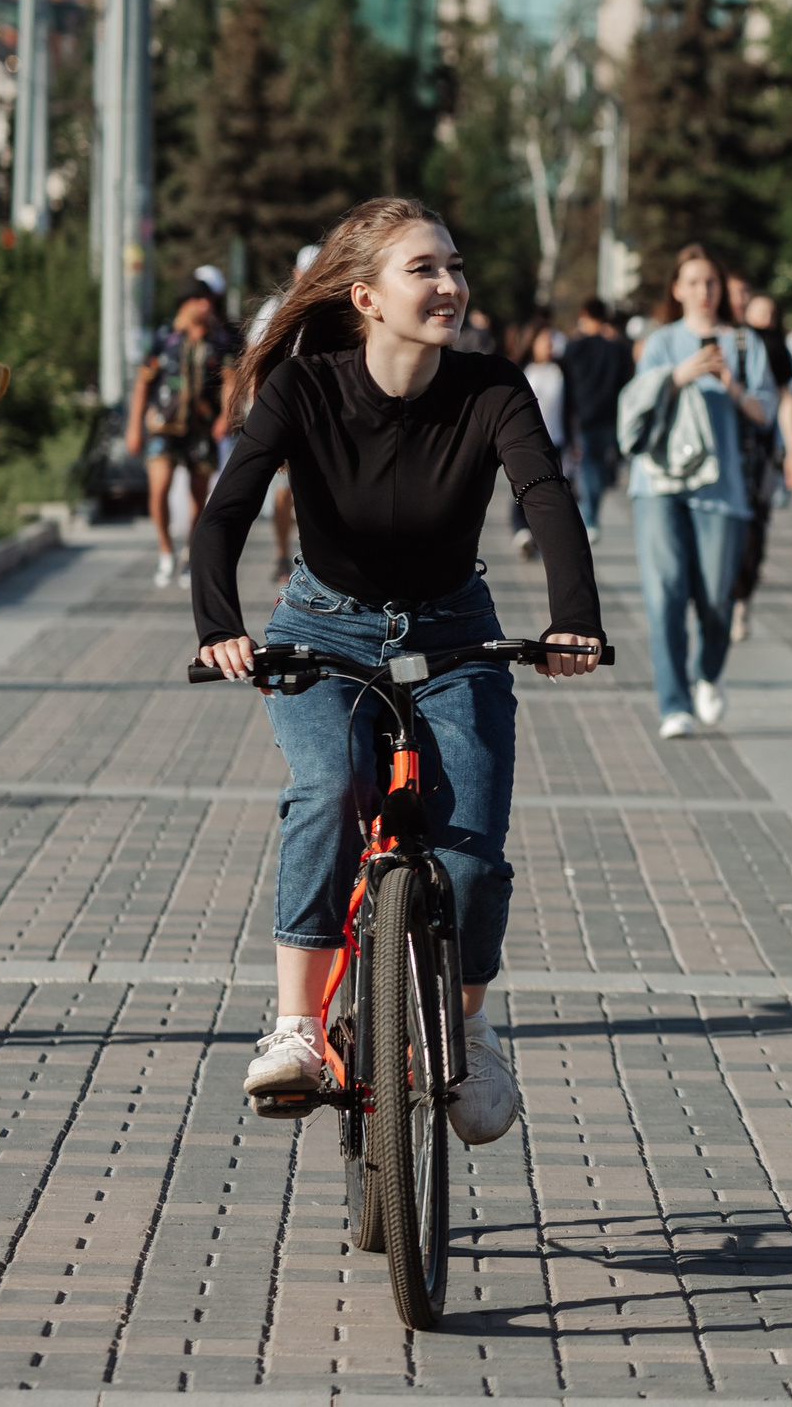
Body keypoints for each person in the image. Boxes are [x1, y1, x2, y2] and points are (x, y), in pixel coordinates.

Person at [189, 197, 603, 1142]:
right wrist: (222, 625)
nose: (451, 284)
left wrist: (572, 620)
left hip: (457, 631)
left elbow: (545, 496)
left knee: (467, 847)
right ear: (366, 295)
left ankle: (467, 1028)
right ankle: (296, 1026)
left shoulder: (493, 389)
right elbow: (227, 511)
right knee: (332, 788)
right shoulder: (304, 392)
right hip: (323, 630)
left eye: (455, 266)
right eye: (426, 269)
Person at [626, 244, 775, 738]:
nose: (703, 291)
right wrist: (679, 376)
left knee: (715, 598)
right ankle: (674, 703)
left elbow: (765, 413)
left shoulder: (743, 343)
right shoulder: (661, 342)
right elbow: (638, 403)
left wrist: (730, 385)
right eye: (692, 282)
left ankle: (708, 674)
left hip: (721, 488)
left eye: (710, 281)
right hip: (659, 484)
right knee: (665, 593)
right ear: (677, 289)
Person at [128, 279, 239, 588]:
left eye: (209, 301)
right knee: (159, 486)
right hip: (163, 425)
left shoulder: (219, 339)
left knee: (198, 496)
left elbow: (230, 380)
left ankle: (192, 553)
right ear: (186, 303)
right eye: (200, 300)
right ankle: (166, 551)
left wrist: (227, 416)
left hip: (201, 428)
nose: (207, 306)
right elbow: (143, 383)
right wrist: (133, 426)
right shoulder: (164, 337)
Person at [727, 282, 792, 644]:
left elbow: (788, 400)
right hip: (723, 450)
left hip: (759, 452)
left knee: (754, 529)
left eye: (770, 315)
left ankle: (741, 600)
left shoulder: (777, 350)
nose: (764, 320)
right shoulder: (728, 341)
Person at [248, 245, 320, 580]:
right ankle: (281, 553)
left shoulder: (335, 310)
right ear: (296, 273)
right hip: (283, 410)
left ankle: (315, 562)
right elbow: (254, 359)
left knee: (315, 491)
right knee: (282, 493)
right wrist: (257, 408)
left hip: (319, 414)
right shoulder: (276, 308)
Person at [558, 297, 633, 541]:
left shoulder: (575, 347)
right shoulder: (618, 348)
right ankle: (591, 516)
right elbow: (626, 383)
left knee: (588, 466)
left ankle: (589, 518)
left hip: (583, 416)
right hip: (610, 416)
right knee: (598, 467)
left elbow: (566, 386)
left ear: (584, 314)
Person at [510, 322, 570, 559]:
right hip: (525, 440)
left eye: (551, 341)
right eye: (544, 340)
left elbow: (571, 408)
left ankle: (541, 537)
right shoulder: (521, 370)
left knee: (550, 491)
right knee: (521, 488)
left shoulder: (561, 371)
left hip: (556, 439)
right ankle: (522, 531)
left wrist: (574, 442)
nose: (549, 346)